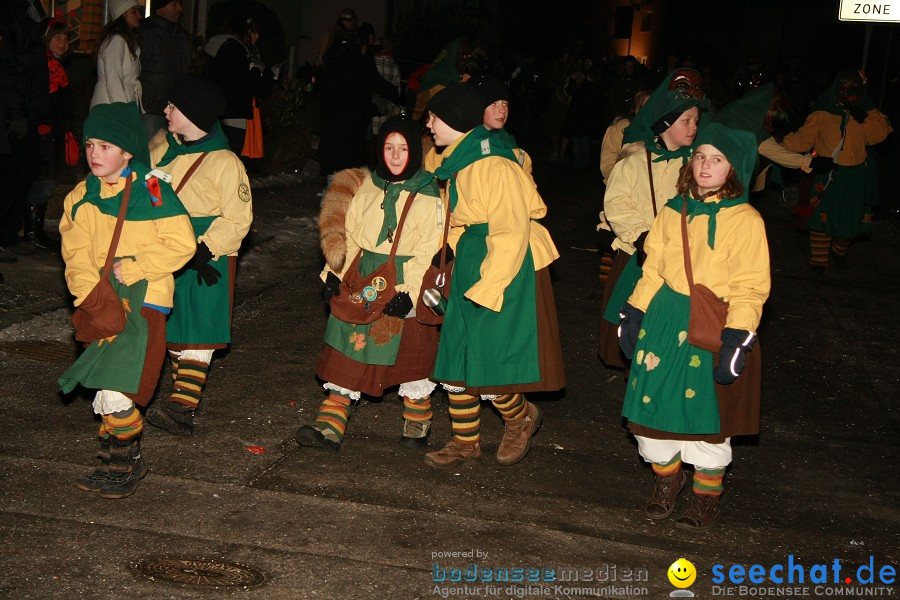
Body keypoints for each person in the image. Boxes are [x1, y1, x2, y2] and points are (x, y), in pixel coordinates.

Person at [617, 121, 770, 530]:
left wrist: (738, 336)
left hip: (711, 324)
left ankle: (705, 497)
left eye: (717, 159)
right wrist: (634, 311)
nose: (705, 165)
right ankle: (668, 481)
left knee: (707, 424)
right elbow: (652, 270)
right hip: (666, 319)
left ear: (733, 169)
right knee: (651, 418)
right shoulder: (673, 209)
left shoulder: (745, 219)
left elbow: (751, 286)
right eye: (700, 156)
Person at [422, 83, 565, 469]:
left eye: (434, 116)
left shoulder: (495, 165)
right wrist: (447, 255)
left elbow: (511, 229)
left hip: (504, 262)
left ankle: (520, 418)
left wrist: (491, 284)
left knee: (490, 354)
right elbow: (459, 220)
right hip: (473, 256)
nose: (428, 123)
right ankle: (465, 440)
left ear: (453, 119)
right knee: (459, 348)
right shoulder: (460, 161)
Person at [57, 101, 196, 498]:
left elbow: (182, 243)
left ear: (128, 151)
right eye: (90, 145)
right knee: (105, 381)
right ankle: (119, 457)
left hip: (146, 297)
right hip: (102, 299)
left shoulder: (153, 191)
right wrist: (88, 294)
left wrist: (137, 267)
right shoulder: (81, 196)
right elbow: (75, 252)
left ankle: (125, 460)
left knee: (119, 384)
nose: (95, 154)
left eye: (106, 146)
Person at [295, 115, 443, 451]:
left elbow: (427, 252)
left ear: (414, 153)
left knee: (408, 354)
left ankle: (417, 420)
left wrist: (410, 293)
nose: (394, 155)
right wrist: (333, 277)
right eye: (388, 147)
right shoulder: (369, 187)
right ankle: (330, 426)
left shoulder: (428, 195)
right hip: (364, 280)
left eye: (403, 149)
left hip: (403, 280)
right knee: (349, 347)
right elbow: (352, 237)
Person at [144, 75, 253, 436]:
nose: (166, 110)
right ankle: (183, 404)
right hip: (169, 249)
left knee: (200, 328)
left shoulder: (226, 163)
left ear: (192, 113)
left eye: (173, 106)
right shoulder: (165, 151)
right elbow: (153, 196)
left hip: (208, 256)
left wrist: (207, 247)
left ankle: (181, 405)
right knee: (174, 324)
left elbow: (238, 217)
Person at [597, 69, 707, 370]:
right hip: (639, 254)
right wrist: (641, 235)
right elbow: (618, 202)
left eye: (696, 121)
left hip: (683, 258)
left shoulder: (698, 164)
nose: (693, 127)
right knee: (636, 318)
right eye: (686, 121)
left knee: (674, 327)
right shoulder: (634, 161)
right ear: (666, 123)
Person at [778, 69, 892, 272]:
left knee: (848, 221)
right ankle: (819, 262)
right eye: (844, 87)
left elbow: (878, 136)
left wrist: (864, 117)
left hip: (854, 175)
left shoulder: (868, 113)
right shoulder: (823, 113)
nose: (848, 91)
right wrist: (779, 143)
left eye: (853, 87)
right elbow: (803, 138)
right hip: (828, 173)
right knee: (821, 217)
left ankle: (839, 251)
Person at [0, 0, 49, 262]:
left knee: (24, 174)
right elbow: (7, 67)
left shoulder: (28, 8)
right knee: (8, 178)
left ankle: (9, 234)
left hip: (27, 108)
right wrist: (16, 112)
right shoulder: (8, 13)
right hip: (12, 113)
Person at [23, 18, 73, 251]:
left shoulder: (56, 65)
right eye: (57, 37)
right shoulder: (45, 66)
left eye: (65, 38)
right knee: (42, 180)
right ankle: (32, 232)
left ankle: (34, 231)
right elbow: (42, 102)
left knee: (45, 179)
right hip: (44, 132)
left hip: (52, 131)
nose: (62, 43)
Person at [204, 16, 275, 155]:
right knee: (231, 159)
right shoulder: (236, 49)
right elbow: (247, 83)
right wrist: (257, 70)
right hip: (234, 114)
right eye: (253, 32)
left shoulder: (217, 48)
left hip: (215, 113)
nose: (257, 36)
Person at [138, 0, 194, 140]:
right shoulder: (144, 33)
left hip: (177, 109)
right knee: (148, 156)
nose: (180, 9)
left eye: (180, 4)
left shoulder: (181, 36)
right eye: (174, 4)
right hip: (152, 110)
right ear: (160, 7)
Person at [90, 0, 143, 109]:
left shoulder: (127, 41)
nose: (139, 16)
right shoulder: (115, 40)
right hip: (109, 104)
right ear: (121, 14)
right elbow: (113, 78)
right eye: (134, 12)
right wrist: (121, 109)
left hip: (122, 101)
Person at [600, 89, 651, 183]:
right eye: (647, 105)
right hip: (623, 183)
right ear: (638, 106)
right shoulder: (622, 127)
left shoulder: (663, 129)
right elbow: (608, 160)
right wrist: (620, 179)